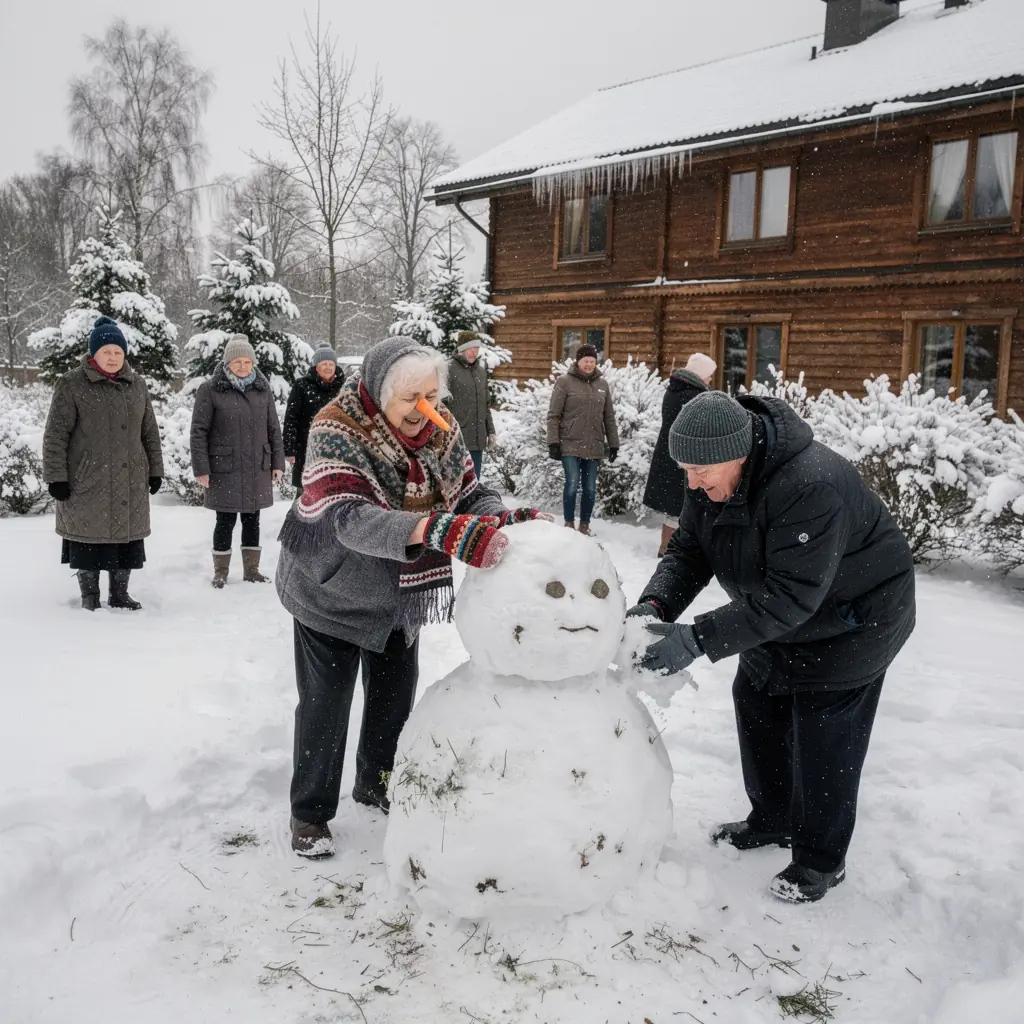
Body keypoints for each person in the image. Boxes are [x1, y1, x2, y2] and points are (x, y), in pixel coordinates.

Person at [628, 390, 915, 903]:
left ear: (738, 454)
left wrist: (695, 640)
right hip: (773, 612)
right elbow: (689, 552)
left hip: (855, 621)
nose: (691, 483)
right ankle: (773, 818)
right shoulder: (707, 476)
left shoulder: (811, 485)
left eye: (700, 471)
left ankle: (820, 862)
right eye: (685, 470)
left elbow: (794, 594)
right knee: (757, 701)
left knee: (826, 734)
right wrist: (654, 607)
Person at [275, 336, 548, 858]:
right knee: (325, 704)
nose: (425, 409)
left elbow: (469, 491)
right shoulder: (337, 425)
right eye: (411, 399)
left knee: (393, 698)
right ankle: (309, 814)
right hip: (329, 589)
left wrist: (501, 517)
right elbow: (348, 518)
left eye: (431, 395)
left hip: (399, 592)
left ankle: (377, 783)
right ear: (379, 393)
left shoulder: (439, 425)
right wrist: (441, 531)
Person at [42, 317, 163, 611]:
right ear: (94, 353)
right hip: (87, 479)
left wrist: (156, 470)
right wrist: (56, 476)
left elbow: (149, 431)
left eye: (118, 352)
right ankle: (90, 596)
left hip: (130, 477)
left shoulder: (137, 385)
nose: (112, 358)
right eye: (106, 351)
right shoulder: (72, 384)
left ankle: (120, 594)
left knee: (126, 539)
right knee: (87, 539)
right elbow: (56, 434)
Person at [189, 335, 285, 588]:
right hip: (225, 468)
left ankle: (251, 570)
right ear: (227, 363)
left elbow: (273, 428)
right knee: (225, 520)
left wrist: (277, 463)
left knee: (252, 519)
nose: (243, 366)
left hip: (256, 466)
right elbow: (199, 431)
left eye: (247, 361)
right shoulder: (210, 390)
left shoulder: (262, 390)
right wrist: (201, 468)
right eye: (237, 361)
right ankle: (220, 571)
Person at [643, 353, 717, 556]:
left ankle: (668, 546)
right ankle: (669, 548)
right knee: (681, 505)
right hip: (684, 457)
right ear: (700, 374)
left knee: (677, 505)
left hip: (673, 455)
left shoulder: (677, 390)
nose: (711, 379)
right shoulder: (692, 395)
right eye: (709, 375)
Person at [546, 344, 619, 535]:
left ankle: (584, 525)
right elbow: (554, 414)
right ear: (578, 361)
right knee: (572, 482)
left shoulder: (602, 385)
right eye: (585, 361)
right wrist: (553, 442)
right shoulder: (564, 382)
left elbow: (608, 416)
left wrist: (613, 443)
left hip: (594, 444)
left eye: (592, 361)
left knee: (590, 487)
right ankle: (569, 523)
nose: (589, 364)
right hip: (569, 442)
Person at [283, 344, 345, 497]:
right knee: (306, 494)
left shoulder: (343, 387)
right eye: (324, 363)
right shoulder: (302, 386)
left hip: (337, 449)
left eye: (331, 364)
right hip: (306, 448)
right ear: (315, 366)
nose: (328, 367)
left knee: (334, 492)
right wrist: (290, 449)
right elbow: (292, 418)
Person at [446, 331, 496, 480]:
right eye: (471, 348)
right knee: (455, 485)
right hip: (456, 441)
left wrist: (490, 431)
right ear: (461, 349)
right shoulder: (448, 369)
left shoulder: (480, 372)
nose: (474, 352)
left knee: (474, 484)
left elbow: (485, 405)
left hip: (477, 442)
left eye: (477, 348)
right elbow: (440, 405)